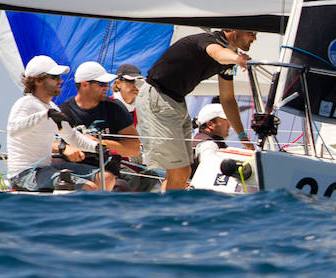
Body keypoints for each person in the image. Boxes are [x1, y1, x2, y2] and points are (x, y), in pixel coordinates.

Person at [137, 28, 255, 191]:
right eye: (251, 33)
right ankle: (166, 210)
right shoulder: (208, 41)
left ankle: (168, 208)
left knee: (182, 172)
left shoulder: (227, 60)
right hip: (158, 97)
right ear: (234, 31)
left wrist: (243, 136)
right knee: (179, 170)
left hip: (176, 101)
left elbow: (227, 99)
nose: (255, 38)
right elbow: (217, 54)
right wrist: (237, 58)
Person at [6, 56, 119, 192]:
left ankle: (97, 211)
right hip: (23, 175)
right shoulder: (26, 103)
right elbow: (13, 130)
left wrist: (96, 147)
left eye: (59, 77)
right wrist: (44, 115)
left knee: (106, 177)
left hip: (46, 169)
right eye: (54, 77)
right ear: (38, 80)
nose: (60, 80)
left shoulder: (53, 107)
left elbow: (71, 136)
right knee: (88, 187)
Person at [59, 62, 144, 192]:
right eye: (102, 84)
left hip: (109, 172)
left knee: (123, 185)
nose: (107, 87)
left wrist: (99, 143)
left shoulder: (115, 108)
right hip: (75, 173)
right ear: (84, 84)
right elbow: (49, 142)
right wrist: (64, 147)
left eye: (107, 83)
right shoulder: (65, 111)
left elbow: (134, 148)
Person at [190, 103, 230, 173]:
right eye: (225, 119)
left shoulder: (201, 139)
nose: (229, 124)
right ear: (210, 124)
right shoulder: (208, 145)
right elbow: (211, 169)